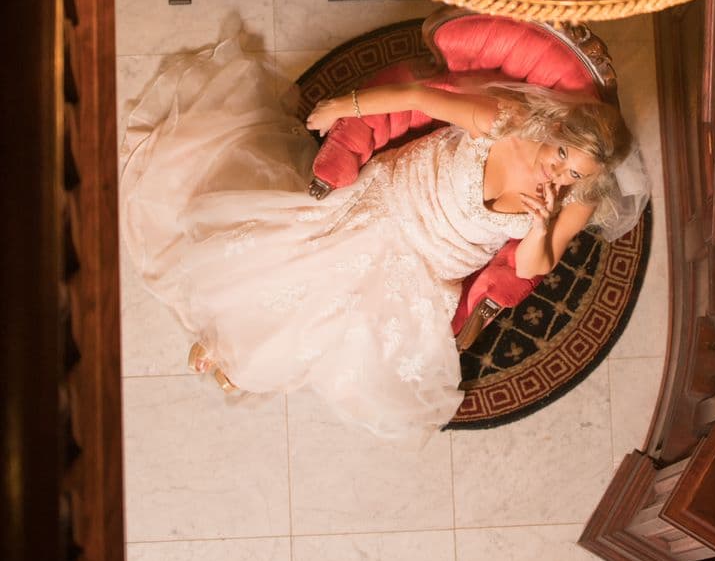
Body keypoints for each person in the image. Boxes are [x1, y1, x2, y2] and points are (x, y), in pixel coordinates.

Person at [120, 37, 638, 440]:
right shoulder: (510, 121)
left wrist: (543, 222)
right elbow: (418, 96)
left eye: (575, 173)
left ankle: (248, 358)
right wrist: (345, 108)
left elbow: (530, 268)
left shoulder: (578, 200)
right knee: (313, 261)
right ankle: (226, 340)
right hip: (391, 199)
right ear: (560, 131)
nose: (560, 172)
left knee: (351, 317)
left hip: (432, 262)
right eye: (563, 155)